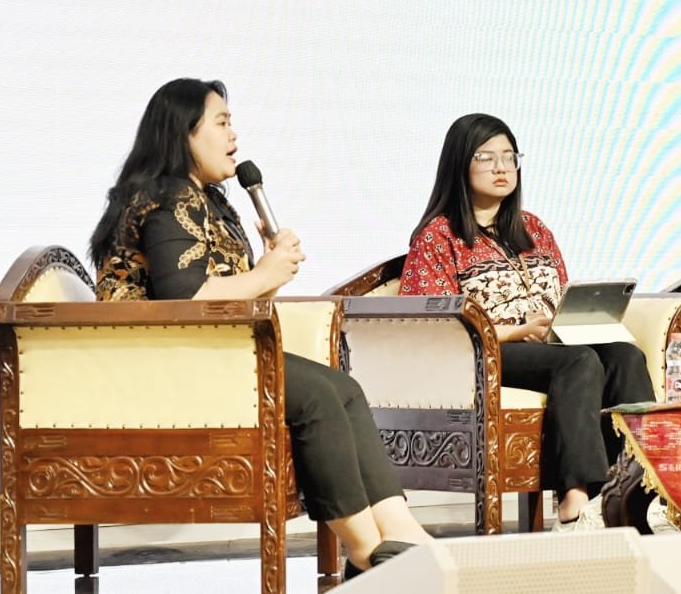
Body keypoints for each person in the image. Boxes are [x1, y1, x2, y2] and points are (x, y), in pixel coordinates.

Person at [90, 79, 431, 579]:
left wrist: (266, 273)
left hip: (208, 352)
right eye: (222, 122)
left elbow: (227, 300)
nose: (234, 135)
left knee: (343, 389)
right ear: (184, 133)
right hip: (164, 363)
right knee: (316, 398)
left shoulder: (208, 200)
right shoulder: (167, 197)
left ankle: (402, 532)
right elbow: (181, 298)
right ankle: (366, 552)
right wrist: (264, 274)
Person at [400, 113, 655, 531]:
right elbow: (432, 327)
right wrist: (515, 331)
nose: (502, 167)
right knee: (579, 363)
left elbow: (561, 290)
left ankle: (639, 489)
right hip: (485, 351)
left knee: (624, 356)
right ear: (459, 164)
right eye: (487, 158)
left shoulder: (533, 227)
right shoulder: (438, 236)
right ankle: (577, 501)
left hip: (549, 343)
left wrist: (570, 319)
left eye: (509, 157)